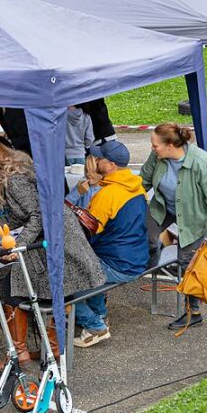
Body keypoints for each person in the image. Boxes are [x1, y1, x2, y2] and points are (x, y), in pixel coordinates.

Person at [0, 140, 104, 366]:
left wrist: (19, 246)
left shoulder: (15, 181)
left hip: (58, 239)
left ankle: (44, 354)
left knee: (29, 291)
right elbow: (17, 217)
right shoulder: (12, 179)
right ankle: (38, 352)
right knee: (20, 290)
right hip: (49, 238)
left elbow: (37, 215)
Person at [140, 123, 207, 331]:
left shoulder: (202, 163)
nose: (152, 149)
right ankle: (148, 262)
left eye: (155, 146)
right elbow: (142, 181)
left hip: (194, 217)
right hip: (165, 207)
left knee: (187, 263)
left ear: (170, 145)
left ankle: (193, 312)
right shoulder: (158, 158)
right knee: (144, 236)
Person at [71, 140, 148, 348]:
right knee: (91, 268)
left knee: (63, 280)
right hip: (137, 259)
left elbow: (84, 232)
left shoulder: (107, 195)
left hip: (117, 263)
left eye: (100, 158)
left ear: (110, 165)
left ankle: (95, 326)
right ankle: (100, 316)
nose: (96, 160)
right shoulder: (137, 187)